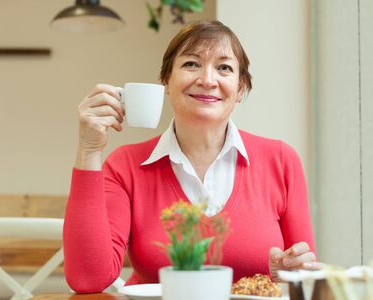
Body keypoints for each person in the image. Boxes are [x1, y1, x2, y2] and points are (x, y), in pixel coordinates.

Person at [64, 20, 320, 293]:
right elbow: (87, 279)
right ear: (166, 81)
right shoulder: (125, 165)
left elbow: (305, 278)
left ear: (240, 88)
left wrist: (294, 271)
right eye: (191, 64)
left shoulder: (280, 160)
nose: (208, 80)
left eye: (224, 68)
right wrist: (89, 150)